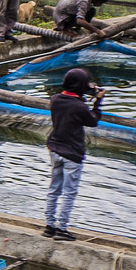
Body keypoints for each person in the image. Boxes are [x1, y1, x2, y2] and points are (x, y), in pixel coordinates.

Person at [45, 66, 103, 240]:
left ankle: (49, 226)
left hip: (55, 149)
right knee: (70, 192)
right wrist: (98, 101)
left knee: (54, 189)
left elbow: (72, 101)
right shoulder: (80, 107)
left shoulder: (55, 99)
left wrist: (86, 91)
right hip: (72, 154)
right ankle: (62, 229)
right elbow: (92, 121)